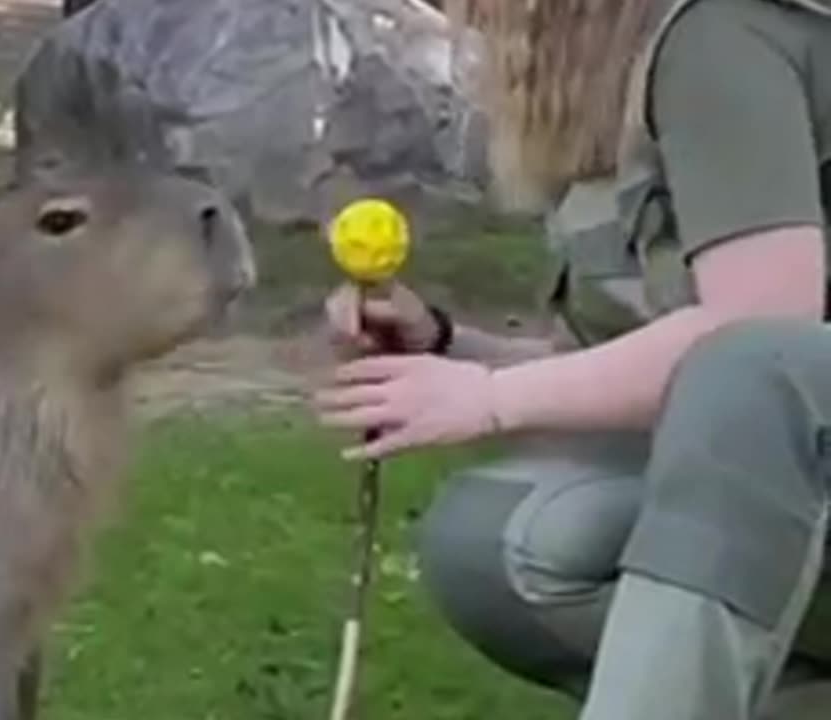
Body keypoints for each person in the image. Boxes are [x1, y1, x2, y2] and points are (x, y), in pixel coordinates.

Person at [313, 0, 831, 718]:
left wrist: (490, 399)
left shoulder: (718, 35)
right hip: (790, 474)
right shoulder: (632, 78)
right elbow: (636, 377)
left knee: (743, 374)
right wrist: (442, 345)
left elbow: (763, 327)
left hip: (796, 447)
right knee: (489, 538)